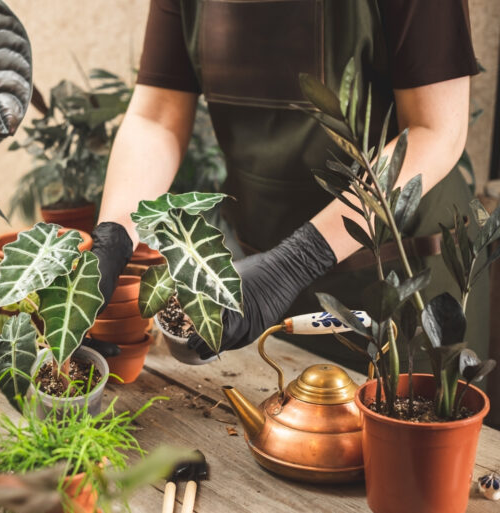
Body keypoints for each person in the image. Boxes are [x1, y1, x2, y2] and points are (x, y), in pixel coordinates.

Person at [89, 0, 489, 370]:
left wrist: (297, 260)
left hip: (398, 284)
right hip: (258, 280)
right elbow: (157, 115)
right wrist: (115, 234)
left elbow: (434, 130)